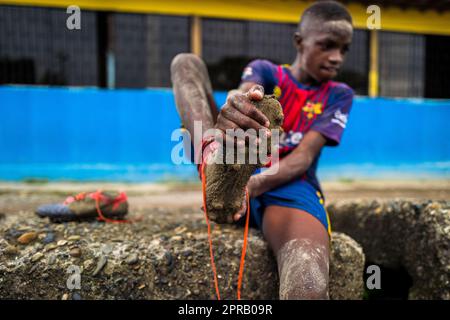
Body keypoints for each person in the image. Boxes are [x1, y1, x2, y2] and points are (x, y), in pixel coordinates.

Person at [171, 0, 354, 299]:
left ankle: (227, 179)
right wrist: (237, 105)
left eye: (344, 49)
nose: (336, 57)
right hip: (238, 162)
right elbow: (247, 90)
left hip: (288, 185)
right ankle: (212, 161)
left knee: (307, 279)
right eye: (327, 46)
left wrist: (252, 185)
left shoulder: (338, 94)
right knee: (185, 63)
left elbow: (304, 158)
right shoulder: (267, 72)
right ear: (299, 42)